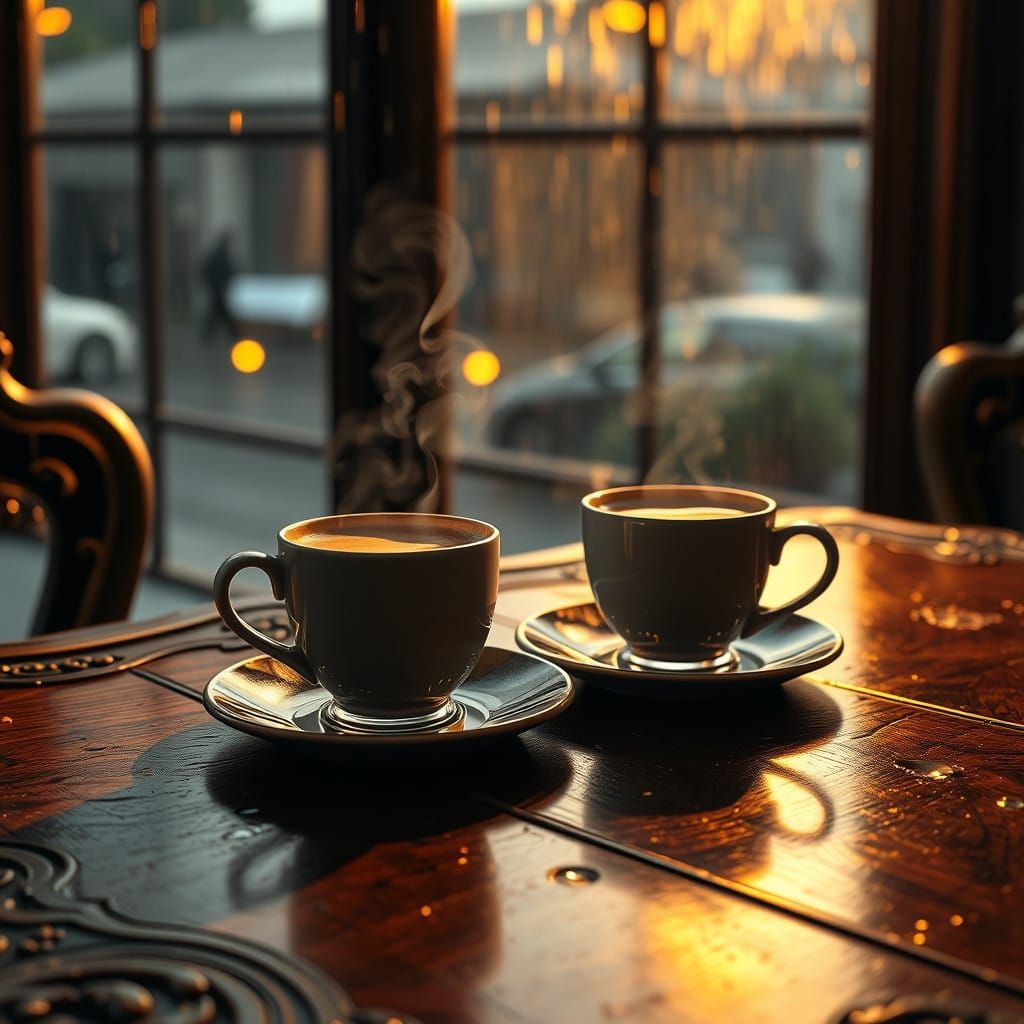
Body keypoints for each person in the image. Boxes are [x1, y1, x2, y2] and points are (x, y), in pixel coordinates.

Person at [200, 229, 240, 343]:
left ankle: (233, 333)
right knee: (220, 312)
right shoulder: (220, 254)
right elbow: (215, 271)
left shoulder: (219, 253)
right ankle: (234, 333)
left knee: (219, 312)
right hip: (219, 288)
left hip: (219, 288)